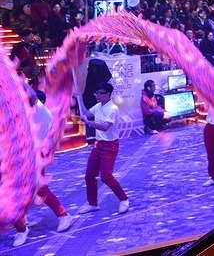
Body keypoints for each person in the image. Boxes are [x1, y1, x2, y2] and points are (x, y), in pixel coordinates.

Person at [10, 87, 76, 247]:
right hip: (18, 157)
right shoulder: (24, 110)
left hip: (34, 158)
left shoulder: (41, 112)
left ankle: (63, 215)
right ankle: (21, 225)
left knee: (39, 189)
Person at [78, 82, 130, 214]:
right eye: (96, 93)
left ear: (107, 94)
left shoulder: (112, 108)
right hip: (98, 144)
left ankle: (124, 199)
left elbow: (106, 127)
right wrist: (79, 99)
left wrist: (89, 123)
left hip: (110, 145)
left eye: (99, 93)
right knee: (89, 175)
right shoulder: (98, 106)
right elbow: (86, 113)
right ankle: (93, 204)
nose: (97, 96)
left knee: (106, 176)